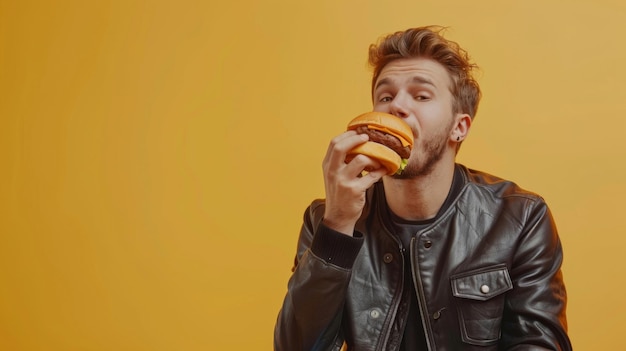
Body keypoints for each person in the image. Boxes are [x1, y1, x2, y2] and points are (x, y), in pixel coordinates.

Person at [274, 26, 572, 351]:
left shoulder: (519, 218)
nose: (397, 106)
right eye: (385, 97)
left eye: (421, 96)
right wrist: (338, 226)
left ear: (459, 127)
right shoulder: (327, 218)